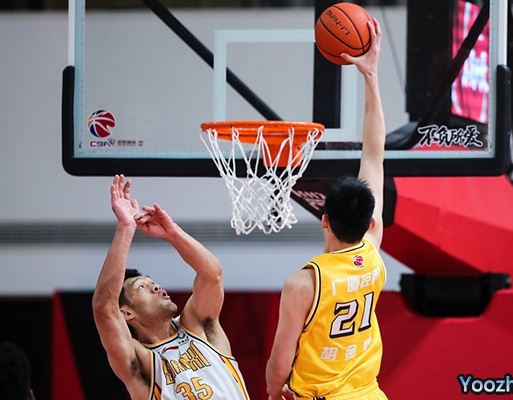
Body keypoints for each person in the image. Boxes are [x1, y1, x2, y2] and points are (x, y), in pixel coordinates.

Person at [266, 19, 388, 400]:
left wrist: (273, 392)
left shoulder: (303, 284)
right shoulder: (373, 249)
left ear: (324, 221)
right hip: (370, 393)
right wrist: (371, 76)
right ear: (369, 222)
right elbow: (374, 154)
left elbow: (280, 362)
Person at [92, 174, 249, 400]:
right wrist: (126, 227)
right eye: (141, 287)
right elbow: (104, 308)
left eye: (153, 283)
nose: (156, 287)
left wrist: (173, 233)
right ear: (126, 313)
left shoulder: (198, 327)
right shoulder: (140, 360)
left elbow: (212, 274)